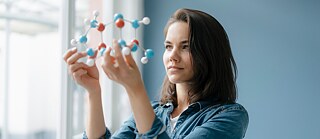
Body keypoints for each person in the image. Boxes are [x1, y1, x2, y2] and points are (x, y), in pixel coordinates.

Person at [63, 8, 249, 139]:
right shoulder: (152, 111)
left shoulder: (230, 116)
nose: (172, 56)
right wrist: (93, 92)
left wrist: (135, 89)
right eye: (168, 47)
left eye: (185, 47)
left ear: (209, 53)